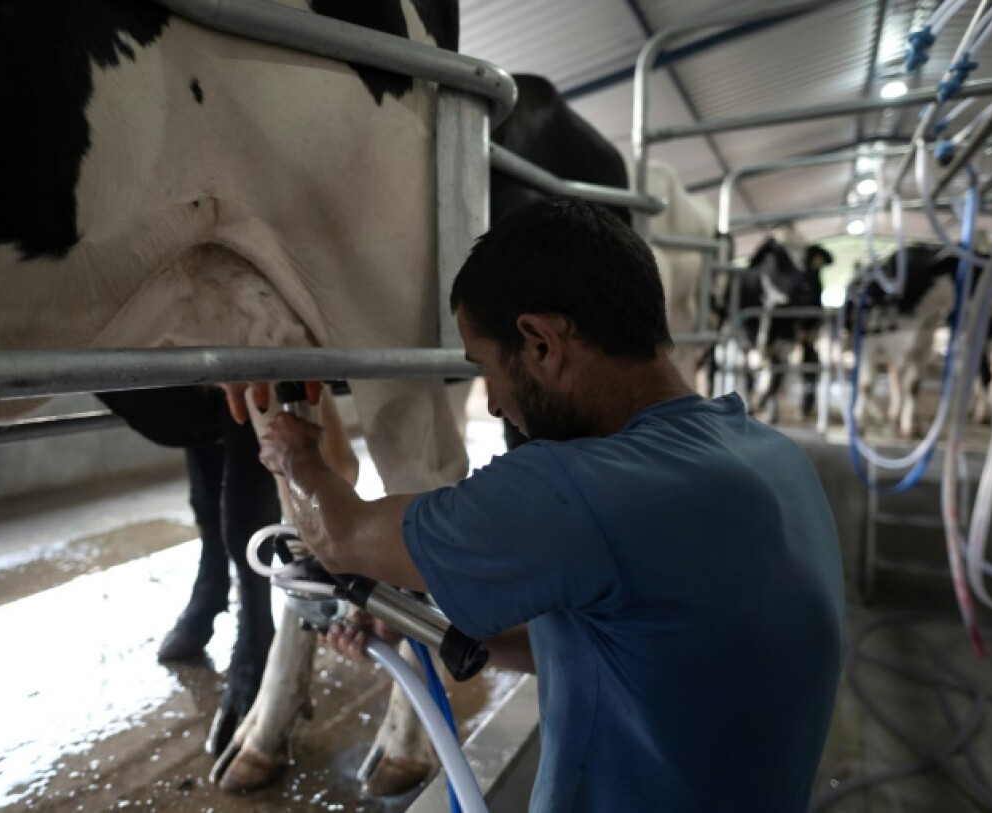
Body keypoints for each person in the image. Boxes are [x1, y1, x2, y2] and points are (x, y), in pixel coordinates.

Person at [239, 197, 846, 812]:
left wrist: (297, 456)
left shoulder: (575, 487)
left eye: (486, 368)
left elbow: (341, 536)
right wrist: (409, 619)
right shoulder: (775, 456)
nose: (495, 405)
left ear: (540, 343)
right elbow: (626, 644)